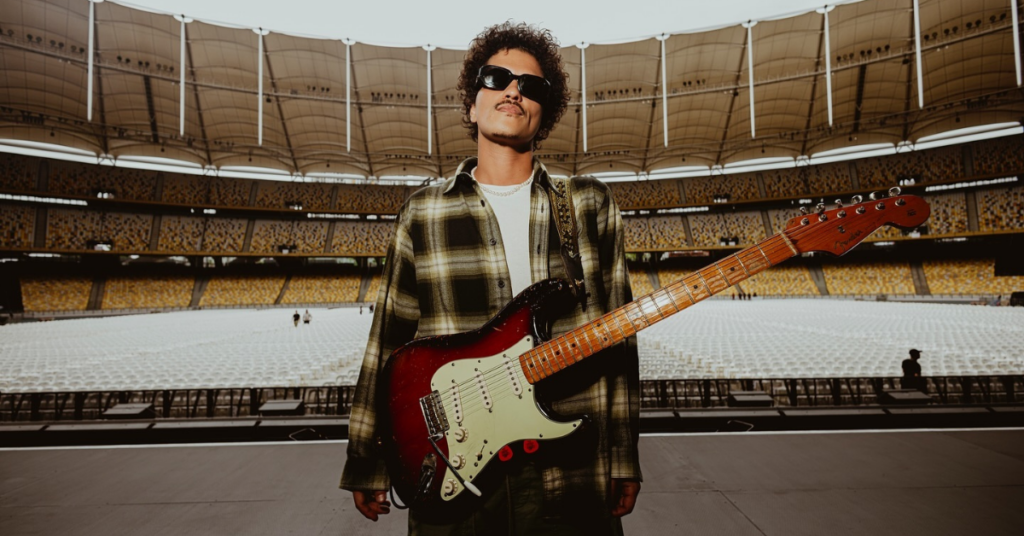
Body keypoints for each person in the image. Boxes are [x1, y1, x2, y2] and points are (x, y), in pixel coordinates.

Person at [340, 22, 641, 535]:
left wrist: (623, 454)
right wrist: (367, 457)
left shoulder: (589, 203)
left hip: (570, 474)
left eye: (532, 86)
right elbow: (388, 340)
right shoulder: (424, 212)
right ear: (472, 103)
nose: (514, 90)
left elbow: (619, 342)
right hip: (455, 472)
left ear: (545, 112)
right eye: (496, 77)